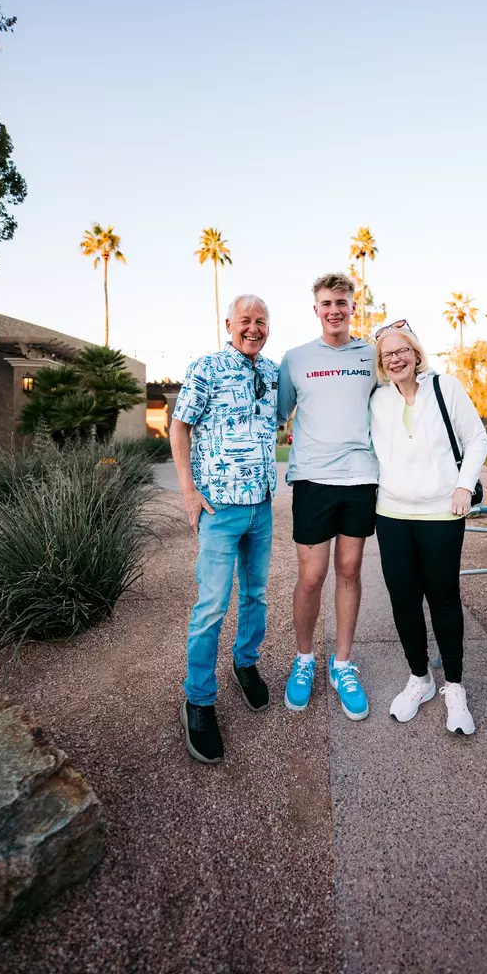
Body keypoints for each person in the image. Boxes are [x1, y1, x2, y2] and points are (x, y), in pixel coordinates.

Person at [170, 294, 279, 764]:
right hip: (219, 511)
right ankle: (199, 699)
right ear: (229, 323)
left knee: (255, 594)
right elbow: (179, 428)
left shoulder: (273, 373)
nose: (253, 328)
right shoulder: (206, 368)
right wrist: (189, 493)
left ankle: (246, 663)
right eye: (246, 321)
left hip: (262, 506)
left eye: (261, 322)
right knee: (212, 605)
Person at [370, 320, 487, 734]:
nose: (396, 358)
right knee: (403, 601)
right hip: (392, 514)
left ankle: (454, 687)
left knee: (443, 599)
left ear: (416, 353)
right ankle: (420, 679)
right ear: (381, 363)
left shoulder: (445, 387)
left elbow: (476, 438)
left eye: (402, 350)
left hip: (441, 512)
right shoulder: (378, 400)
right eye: (387, 354)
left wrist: (462, 486)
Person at [277, 272, 377, 720]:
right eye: (326, 303)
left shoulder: (373, 356)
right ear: (315, 309)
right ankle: (304, 661)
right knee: (313, 576)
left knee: (350, 570)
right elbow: (275, 415)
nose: (334, 309)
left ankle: (342, 664)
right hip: (314, 480)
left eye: (342, 302)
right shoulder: (295, 359)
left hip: (360, 477)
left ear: (353, 307)